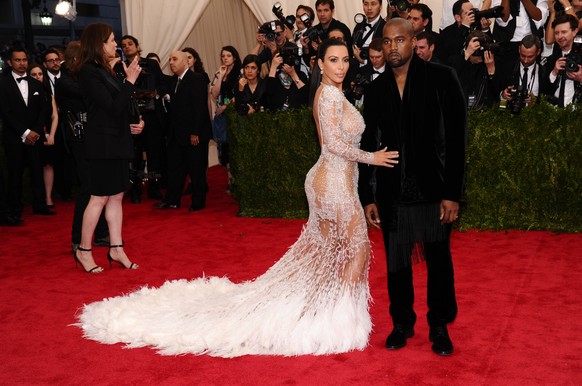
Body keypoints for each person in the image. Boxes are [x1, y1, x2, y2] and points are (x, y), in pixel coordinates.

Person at [76, 38, 399, 357]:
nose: (341, 66)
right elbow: (332, 145)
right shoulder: (328, 96)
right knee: (358, 250)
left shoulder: (333, 92)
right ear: (320, 64)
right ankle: (338, 321)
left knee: (330, 254)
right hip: (333, 185)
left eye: (345, 60)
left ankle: (319, 313)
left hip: (333, 181)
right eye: (333, 60)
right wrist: (374, 158)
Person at [359, 18, 467, 356]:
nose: (393, 47)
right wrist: (368, 196)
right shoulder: (376, 90)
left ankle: (439, 326)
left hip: (434, 191)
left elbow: (456, 139)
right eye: (387, 41)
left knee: (438, 262)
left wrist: (452, 193)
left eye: (399, 40)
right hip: (393, 192)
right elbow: (367, 145)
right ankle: (402, 323)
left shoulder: (441, 78)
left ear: (413, 41)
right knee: (397, 263)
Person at [72, 23, 144, 273]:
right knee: (99, 197)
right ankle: (83, 250)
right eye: (112, 40)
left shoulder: (107, 71)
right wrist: (130, 82)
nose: (117, 44)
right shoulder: (88, 72)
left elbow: (121, 106)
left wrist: (137, 121)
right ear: (98, 43)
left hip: (118, 141)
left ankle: (116, 248)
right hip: (102, 144)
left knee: (117, 196)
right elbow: (111, 108)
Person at [56, 41, 109, 253]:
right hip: (79, 140)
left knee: (100, 187)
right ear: (76, 59)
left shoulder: (81, 78)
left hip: (93, 138)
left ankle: (100, 233)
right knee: (88, 188)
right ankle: (78, 237)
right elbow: (88, 94)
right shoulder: (66, 82)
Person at [0, 47, 54, 223]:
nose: (22, 63)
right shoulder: (2, 83)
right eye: (18, 60)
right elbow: (5, 113)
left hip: (35, 137)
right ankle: (14, 210)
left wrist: (36, 131)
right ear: (9, 62)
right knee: (15, 174)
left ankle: (40, 206)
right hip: (14, 137)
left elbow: (43, 111)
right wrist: (25, 132)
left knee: (37, 172)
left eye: (24, 60)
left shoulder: (36, 84)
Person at [153, 51, 211, 212]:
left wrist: (195, 133)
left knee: (196, 169)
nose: (171, 62)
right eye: (170, 59)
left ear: (185, 62)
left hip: (194, 134)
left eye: (174, 59)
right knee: (175, 169)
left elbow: (199, 108)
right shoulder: (174, 81)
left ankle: (198, 203)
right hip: (177, 135)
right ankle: (172, 200)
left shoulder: (197, 79)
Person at [28, 63, 58, 209]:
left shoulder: (48, 94)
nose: (38, 77)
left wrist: (51, 135)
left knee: (48, 165)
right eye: (34, 74)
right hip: (31, 135)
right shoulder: (25, 93)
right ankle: (37, 199)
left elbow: (55, 116)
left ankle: (47, 198)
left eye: (40, 74)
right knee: (34, 167)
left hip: (47, 135)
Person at [542, 13, 582, 106]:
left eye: (564, 32)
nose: (559, 37)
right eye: (556, 33)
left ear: (574, 31)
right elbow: (544, 91)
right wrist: (554, 73)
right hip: (554, 112)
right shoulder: (552, 58)